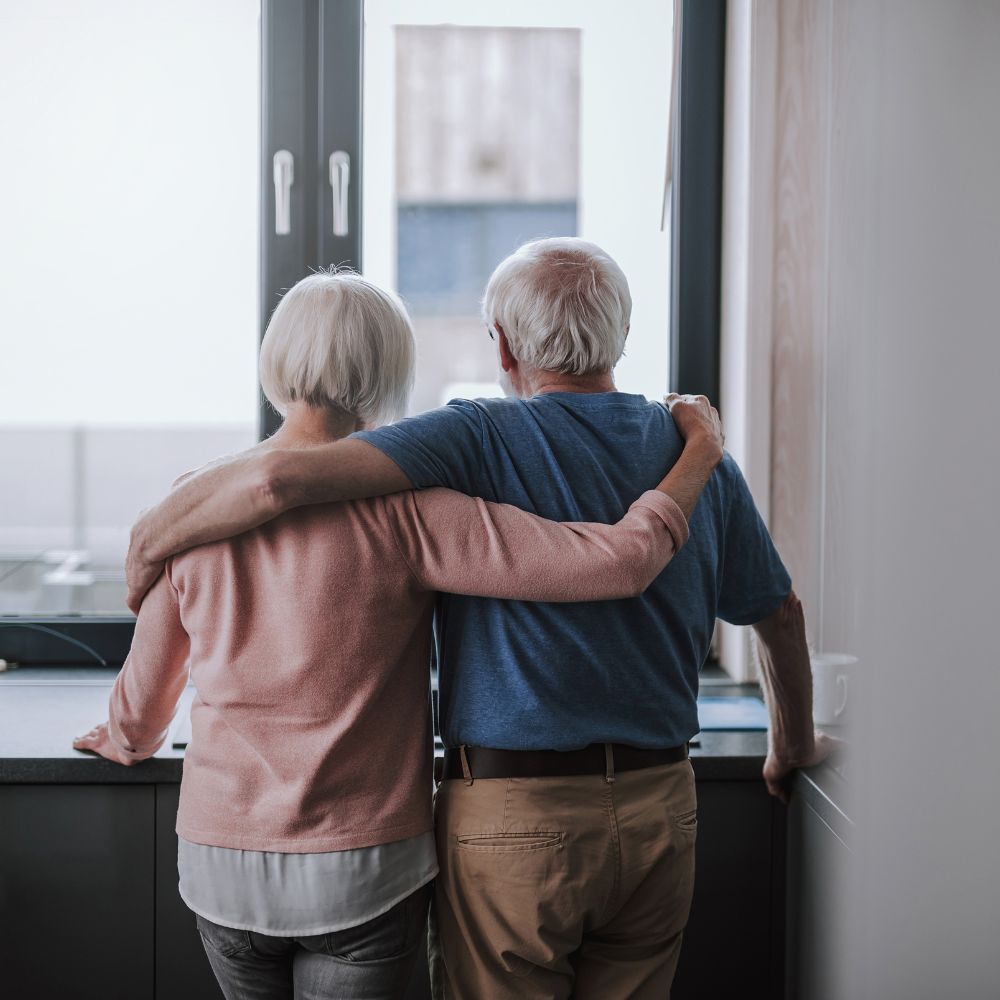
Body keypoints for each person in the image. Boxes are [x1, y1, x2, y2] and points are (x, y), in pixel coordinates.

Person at [123, 239, 830, 999]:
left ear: (500, 343)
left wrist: (155, 538)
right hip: (662, 807)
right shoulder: (700, 458)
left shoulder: (476, 437)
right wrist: (790, 744)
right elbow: (779, 612)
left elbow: (282, 480)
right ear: (621, 334)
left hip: (511, 817)